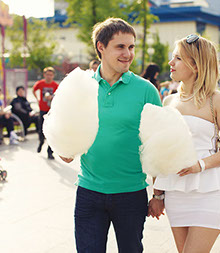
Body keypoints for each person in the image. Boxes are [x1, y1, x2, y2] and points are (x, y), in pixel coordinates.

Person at [59, 18, 161, 252]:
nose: (128, 53)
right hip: (89, 192)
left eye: (131, 47)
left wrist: (159, 194)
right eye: (120, 47)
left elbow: (157, 146)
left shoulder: (146, 90)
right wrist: (65, 148)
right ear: (101, 47)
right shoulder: (81, 87)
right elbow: (68, 130)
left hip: (131, 194)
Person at [150, 35, 220, 253]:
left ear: (196, 65)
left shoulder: (217, 100)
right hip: (175, 191)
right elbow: (161, 151)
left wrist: (199, 165)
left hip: (209, 190)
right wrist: (158, 195)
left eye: (178, 58)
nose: (171, 63)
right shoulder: (169, 101)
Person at [32, 67, 59, 159]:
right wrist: (37, 99)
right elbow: (34, 90)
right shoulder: (40, 83)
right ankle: (41, 142)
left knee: (52, 131)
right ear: (44, 75)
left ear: (53, 76)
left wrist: (52, 98)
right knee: (41, 130)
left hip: (51, 111)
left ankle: (50, 151)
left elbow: (59, 95)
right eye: (47, 74)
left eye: (51, 75)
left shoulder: (55, 85)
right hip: (42, 110)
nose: (49, 76)